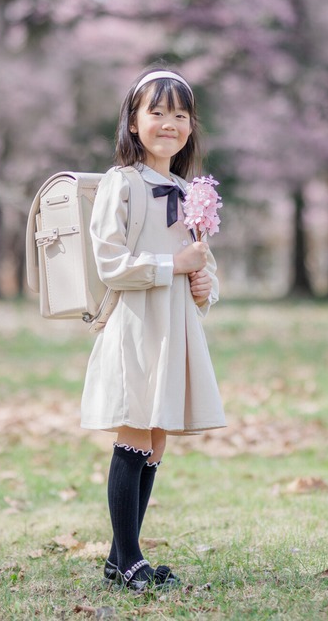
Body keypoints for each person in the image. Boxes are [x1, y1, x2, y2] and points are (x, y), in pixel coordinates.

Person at [80, 67, 225, 592]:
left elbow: (200, 262)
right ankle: (129, 556)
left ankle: (123, 561)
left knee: (158, 435)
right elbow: (110, 264)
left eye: (181, 115)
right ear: (134, 123)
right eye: (157, 112)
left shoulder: (190, 190)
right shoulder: (123, 183)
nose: (170, 124)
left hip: (175, 327)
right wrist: (173, 267)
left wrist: (205, 284)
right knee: (135, 431)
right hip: (138, 325)